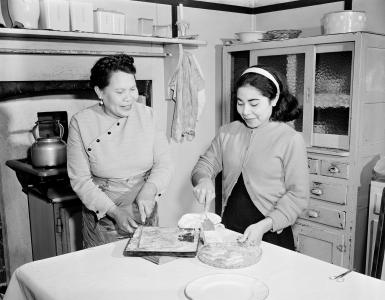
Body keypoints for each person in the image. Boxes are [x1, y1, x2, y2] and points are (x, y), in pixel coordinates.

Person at [191, 65, 309, 250]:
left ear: (274, 99)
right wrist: (203, 180)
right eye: (240, 102)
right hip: (230, 230)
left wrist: (264, 225)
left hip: (271, 234)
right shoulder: (228, 133)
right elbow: (205, 164)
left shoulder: (290, 139)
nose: (245, 111)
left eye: (254, 104)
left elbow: (298, 195)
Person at [67, 54, 173, 248]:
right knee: (106, 275)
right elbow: (80, 180)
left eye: (133, 89)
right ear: (100, 92)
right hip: (104, 221)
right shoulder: (81, 123)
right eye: (120, 91)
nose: (129, 97)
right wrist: (114, 211)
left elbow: (163, 163)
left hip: (146, 214)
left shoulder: (147, 115)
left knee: (147, 273)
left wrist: (149, 190)